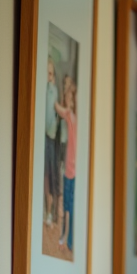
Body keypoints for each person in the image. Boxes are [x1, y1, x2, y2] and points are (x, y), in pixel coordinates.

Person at [53, 77, 78, 253]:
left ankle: (69, 240)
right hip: (68, 167)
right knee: (67, 205)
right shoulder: (70, 116)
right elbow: (60, 109)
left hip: (73, 169)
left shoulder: (73, 117)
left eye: (71, 97)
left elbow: (61, 109)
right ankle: (65, 237)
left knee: (70, 205)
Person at [43, 56, 60, 229]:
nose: (47, 76)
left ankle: (50, 212)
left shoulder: (53, 90)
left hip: (50, 136)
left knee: (49, 174)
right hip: (43, 134)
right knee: (43, 175)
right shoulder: (45, 88)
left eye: (50, 73)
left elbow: (53, 115)